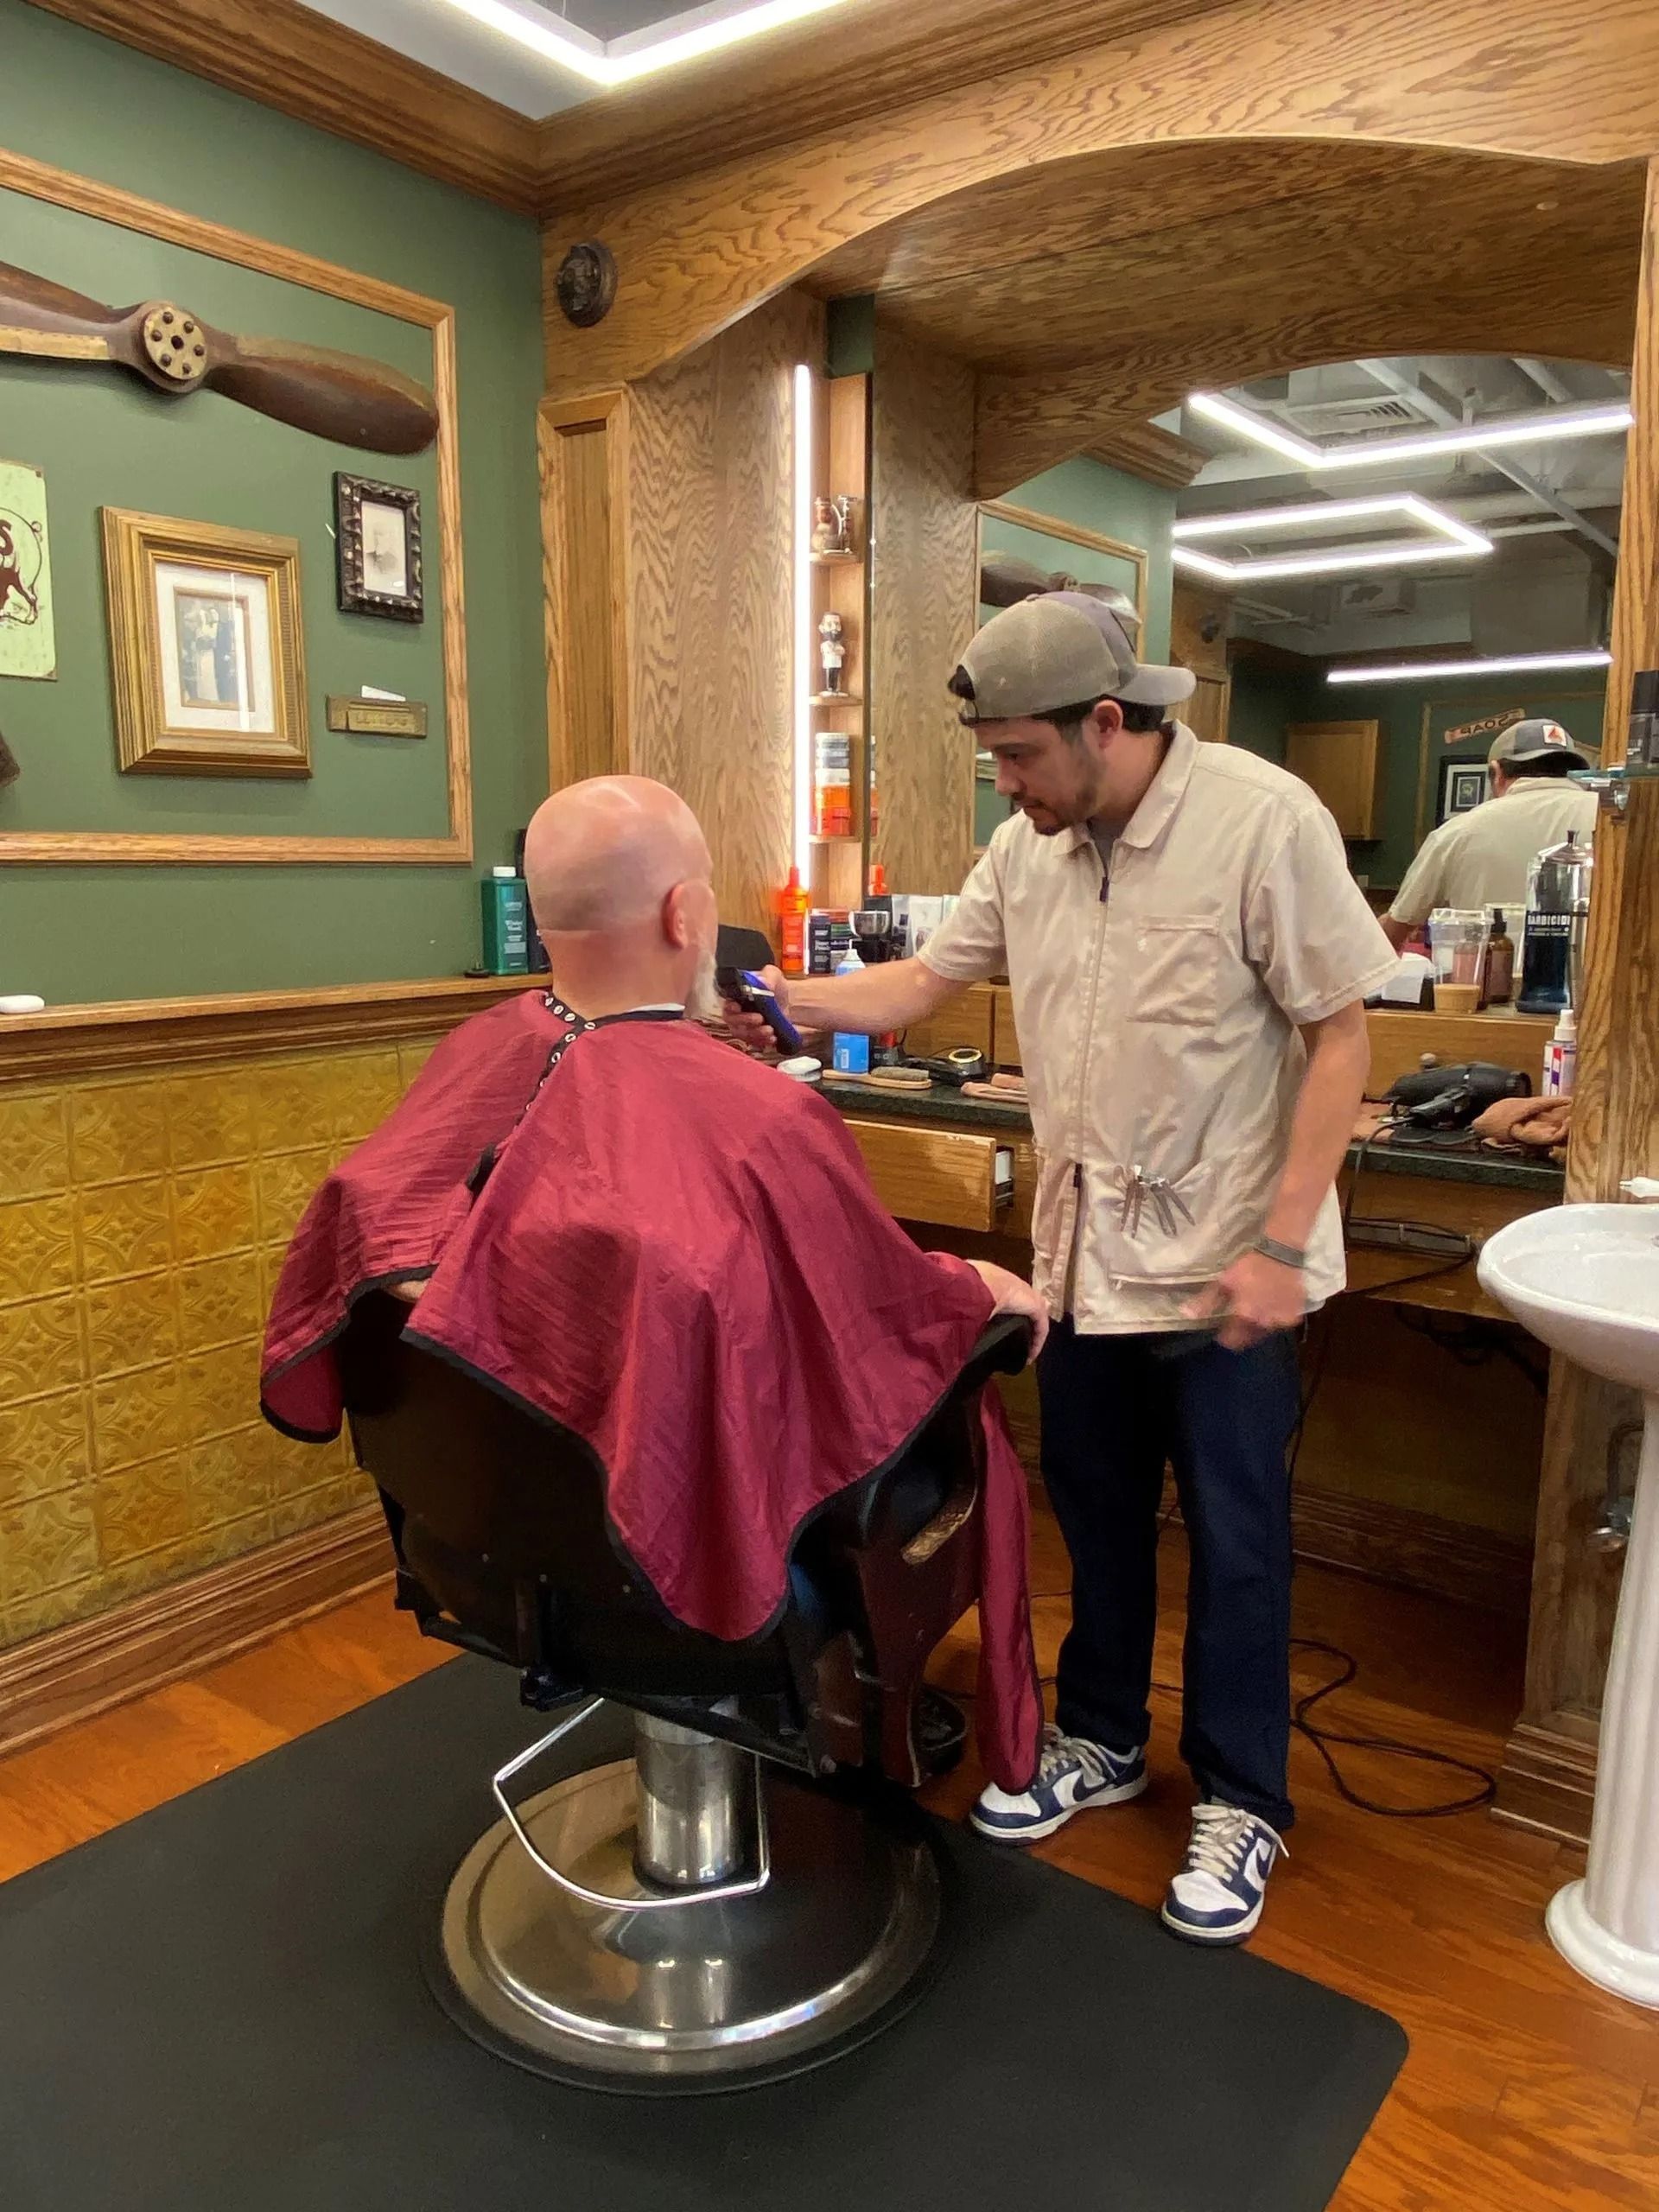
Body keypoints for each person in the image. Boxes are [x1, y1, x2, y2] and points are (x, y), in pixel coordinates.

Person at [746, 595, 1396, 1947]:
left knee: (1235, 1546)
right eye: (996, 760)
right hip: (1087, 1260)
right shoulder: (1025, 849)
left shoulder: (1264, 822)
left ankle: (1243, 1798)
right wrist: (790, 1004)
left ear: (1110, 725)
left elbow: (1342, 1040)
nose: (1008, 784)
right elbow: (926, 982)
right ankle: (1100, 1735)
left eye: (1022, 757)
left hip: (1229, 1269)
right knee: (1094, 1515)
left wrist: (1284, 1244)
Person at [260, 776, 1046, 1794]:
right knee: (964, 1375)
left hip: (479, 1539)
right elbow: (877, 1319)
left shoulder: (472, 1056)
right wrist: (978, 1290)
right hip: (660, 1576)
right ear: (687, 914)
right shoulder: (764, 1119)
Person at [1382, 718, 1598, 951]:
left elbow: (1394, 933)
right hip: (1595, 983)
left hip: (1481, 982)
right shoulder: (1612, 821)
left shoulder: (1456, 833)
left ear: (1497, 773)